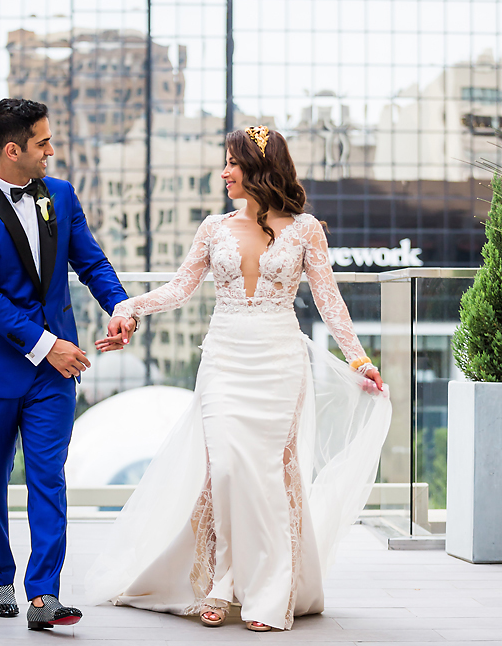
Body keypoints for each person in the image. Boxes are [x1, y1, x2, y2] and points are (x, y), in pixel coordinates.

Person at [86, 125, 392, 633]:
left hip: (279, 362)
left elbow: (329, 300)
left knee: (269, 476)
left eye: (232, 162)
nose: (224, 172)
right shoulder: (213, 227)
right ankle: (220, 582)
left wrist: (359, 360)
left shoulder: (306, 229)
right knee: (226, 469)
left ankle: (268, 594)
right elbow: (180, 289)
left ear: (258, 169)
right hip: (225, 360)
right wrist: (128, 307)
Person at [0, 99, 135, 631]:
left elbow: (91, 261)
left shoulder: (63, 196)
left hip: (56, 372)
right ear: (13, 150)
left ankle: (43, 595)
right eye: (43, 143)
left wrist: (119, 306)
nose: (52, 151)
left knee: (48, 475)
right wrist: (48, 344)